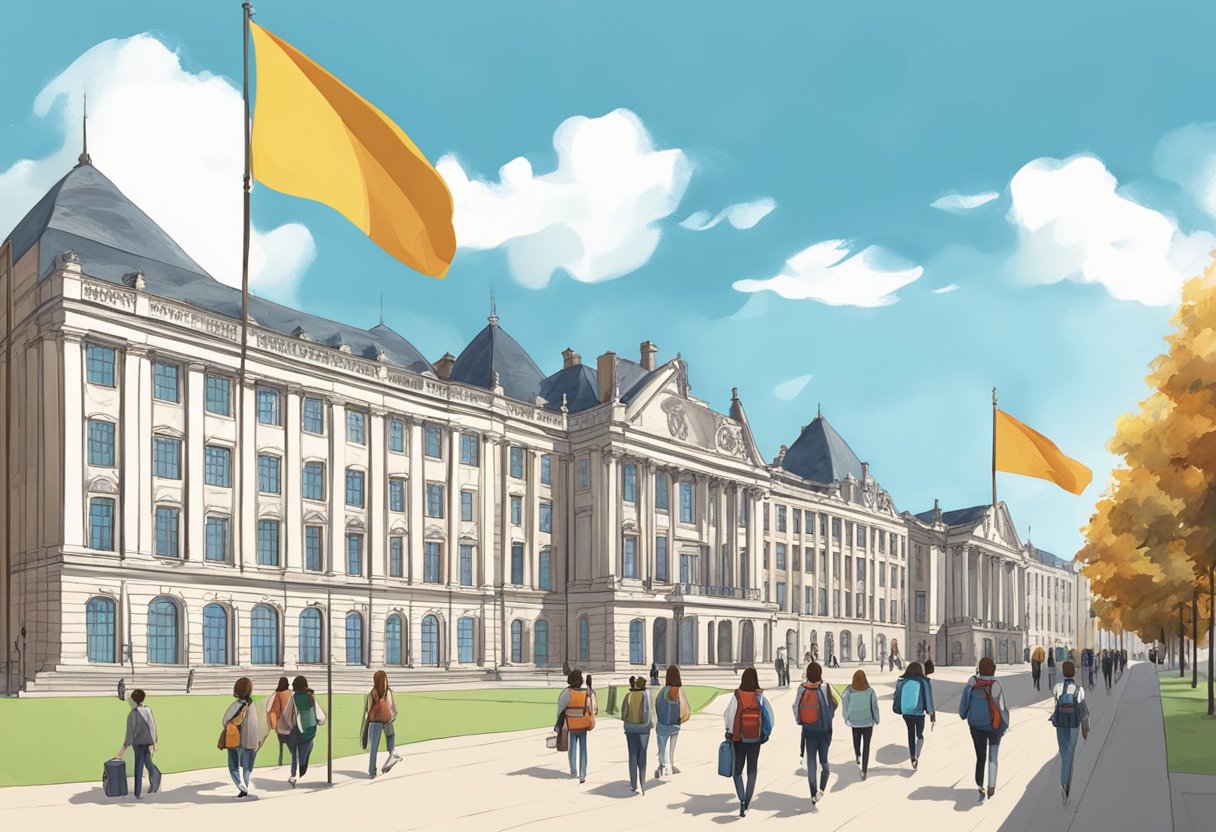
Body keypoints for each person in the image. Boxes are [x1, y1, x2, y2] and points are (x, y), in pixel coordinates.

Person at [723, 667, 774, 817]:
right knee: (752, 771)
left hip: (739, 738)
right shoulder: (760, 697)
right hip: (755, 738)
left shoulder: (737, 695)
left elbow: (729, 716)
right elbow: (769, 719)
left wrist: (729, 731)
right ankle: (747, 801)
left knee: (737, 772)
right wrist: (764, 734)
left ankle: (741, 799)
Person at [960, 657, 1010, 800]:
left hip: (975, 725)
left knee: (980, 756)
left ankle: (980, 785)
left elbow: (964, 704)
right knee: (993, 755)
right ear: (993, 669)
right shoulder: (995, 685)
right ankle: (991, 786)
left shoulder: (971, 683)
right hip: (993, 726)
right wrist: (1005, 725)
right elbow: (1001, 709)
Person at [795, 662, 838, 804]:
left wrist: (800, 720)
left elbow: (796, 706)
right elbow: (834, 704)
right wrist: (828, 716)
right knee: (824, 761)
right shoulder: (825, 687)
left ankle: (813, 794)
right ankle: (821, 789)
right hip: (824, 729)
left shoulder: (802, 688)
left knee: (811, 763)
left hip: (809, 729)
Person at [1051, 660, 1090, 805]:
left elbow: (1056, 703)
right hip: (1074, 722)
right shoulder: (1079, 689)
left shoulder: (1057, 687)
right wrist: (1086, 729)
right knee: (1070, 753)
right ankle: (1065, 785)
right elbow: (1083, 711)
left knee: (1063, 752)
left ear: (1063, 672)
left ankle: (1064, 783)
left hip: (1060, 722)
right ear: (1074, 672)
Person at [279, 675, 325, 787]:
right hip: (310, 730)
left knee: (294, 753)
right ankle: (303, 767)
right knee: (305, 751)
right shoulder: (310, 696)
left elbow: (287, 715)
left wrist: (284, 728)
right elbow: (320, 715)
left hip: (297, 730)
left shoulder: (294, 698)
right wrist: (319, 721)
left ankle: (294, 774)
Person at [114, 689, 160, 798]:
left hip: (138, 744)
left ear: (134, 700)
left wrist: (123, 748)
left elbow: (129, 734)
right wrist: (154, 742)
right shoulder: (148, 710)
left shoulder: (132, 715)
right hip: (147, 742)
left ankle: (138, 793)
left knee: (138, 767)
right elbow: (152, 727)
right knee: (148, 762)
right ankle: (156, 777)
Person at [221, 677, 261, 798]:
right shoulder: (252, 706)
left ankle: (241, 786)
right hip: (250, 742)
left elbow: (224, 721)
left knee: (233, 765)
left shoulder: (237, 705)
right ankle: (247, 787)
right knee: (247, 767)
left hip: (235, 740)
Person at [557, 669, 597, 783]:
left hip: (571, 724)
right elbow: (595, 709)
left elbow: (560, 710)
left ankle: (573, 771)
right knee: (583, 748)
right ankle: (582, 774)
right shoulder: (588, 693)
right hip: (583, 724)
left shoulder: (566, 693)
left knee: (572, 748)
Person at [893, 661, 935, 769]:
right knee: (919, 735)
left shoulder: (902, 681)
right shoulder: (923, 681)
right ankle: (917, 755)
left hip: (906, 713)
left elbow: (896, 696)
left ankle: (913, 758)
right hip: (919, 713)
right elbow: (928, 698)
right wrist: (932, 715)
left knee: (910, 733)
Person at [654, 665, 690, 779]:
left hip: (662, 725)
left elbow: (657, 707)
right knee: (671, 747)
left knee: (662, 747)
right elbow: (684, 708)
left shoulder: (662, 692)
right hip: (674, 725)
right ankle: (671, 766)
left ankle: (662, 767)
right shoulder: (677, 691)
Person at [842, 669, 879, 781]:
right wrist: (877, 719)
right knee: (866, 745)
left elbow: (845, 704)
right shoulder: (871, 691)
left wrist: (846, 717)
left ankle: (857, 754)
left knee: (856, 741)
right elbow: (875, 707)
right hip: (867, 722)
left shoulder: (848, 691)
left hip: (854, 721)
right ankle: (864, 770)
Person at [366, 670, 402, 778]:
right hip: (387, 720)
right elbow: (392, 707)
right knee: (391, 737)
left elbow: (368, 708)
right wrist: (393, 715)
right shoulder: (388, 692)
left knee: (373, 747)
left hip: (375, 722)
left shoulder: (373, 692)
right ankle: (392, 756)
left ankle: (372, 771)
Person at [621, 676, 652, 795]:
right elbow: (651, 711)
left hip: (630, 728)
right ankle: (643, 784)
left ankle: (633, 784)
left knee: (632, 755)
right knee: (642, 755)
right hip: (644, 729)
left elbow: (623, 712)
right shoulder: (646, 696)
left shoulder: (628, 696)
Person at [265, 677, 292, 767]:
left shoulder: (278, 694)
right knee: (292, 747)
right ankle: (294, 762)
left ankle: (282, 763)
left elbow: (275, 711)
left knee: (282, 746)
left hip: (281, 727)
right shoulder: (291, 693)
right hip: (292, 725)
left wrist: (274, 726)